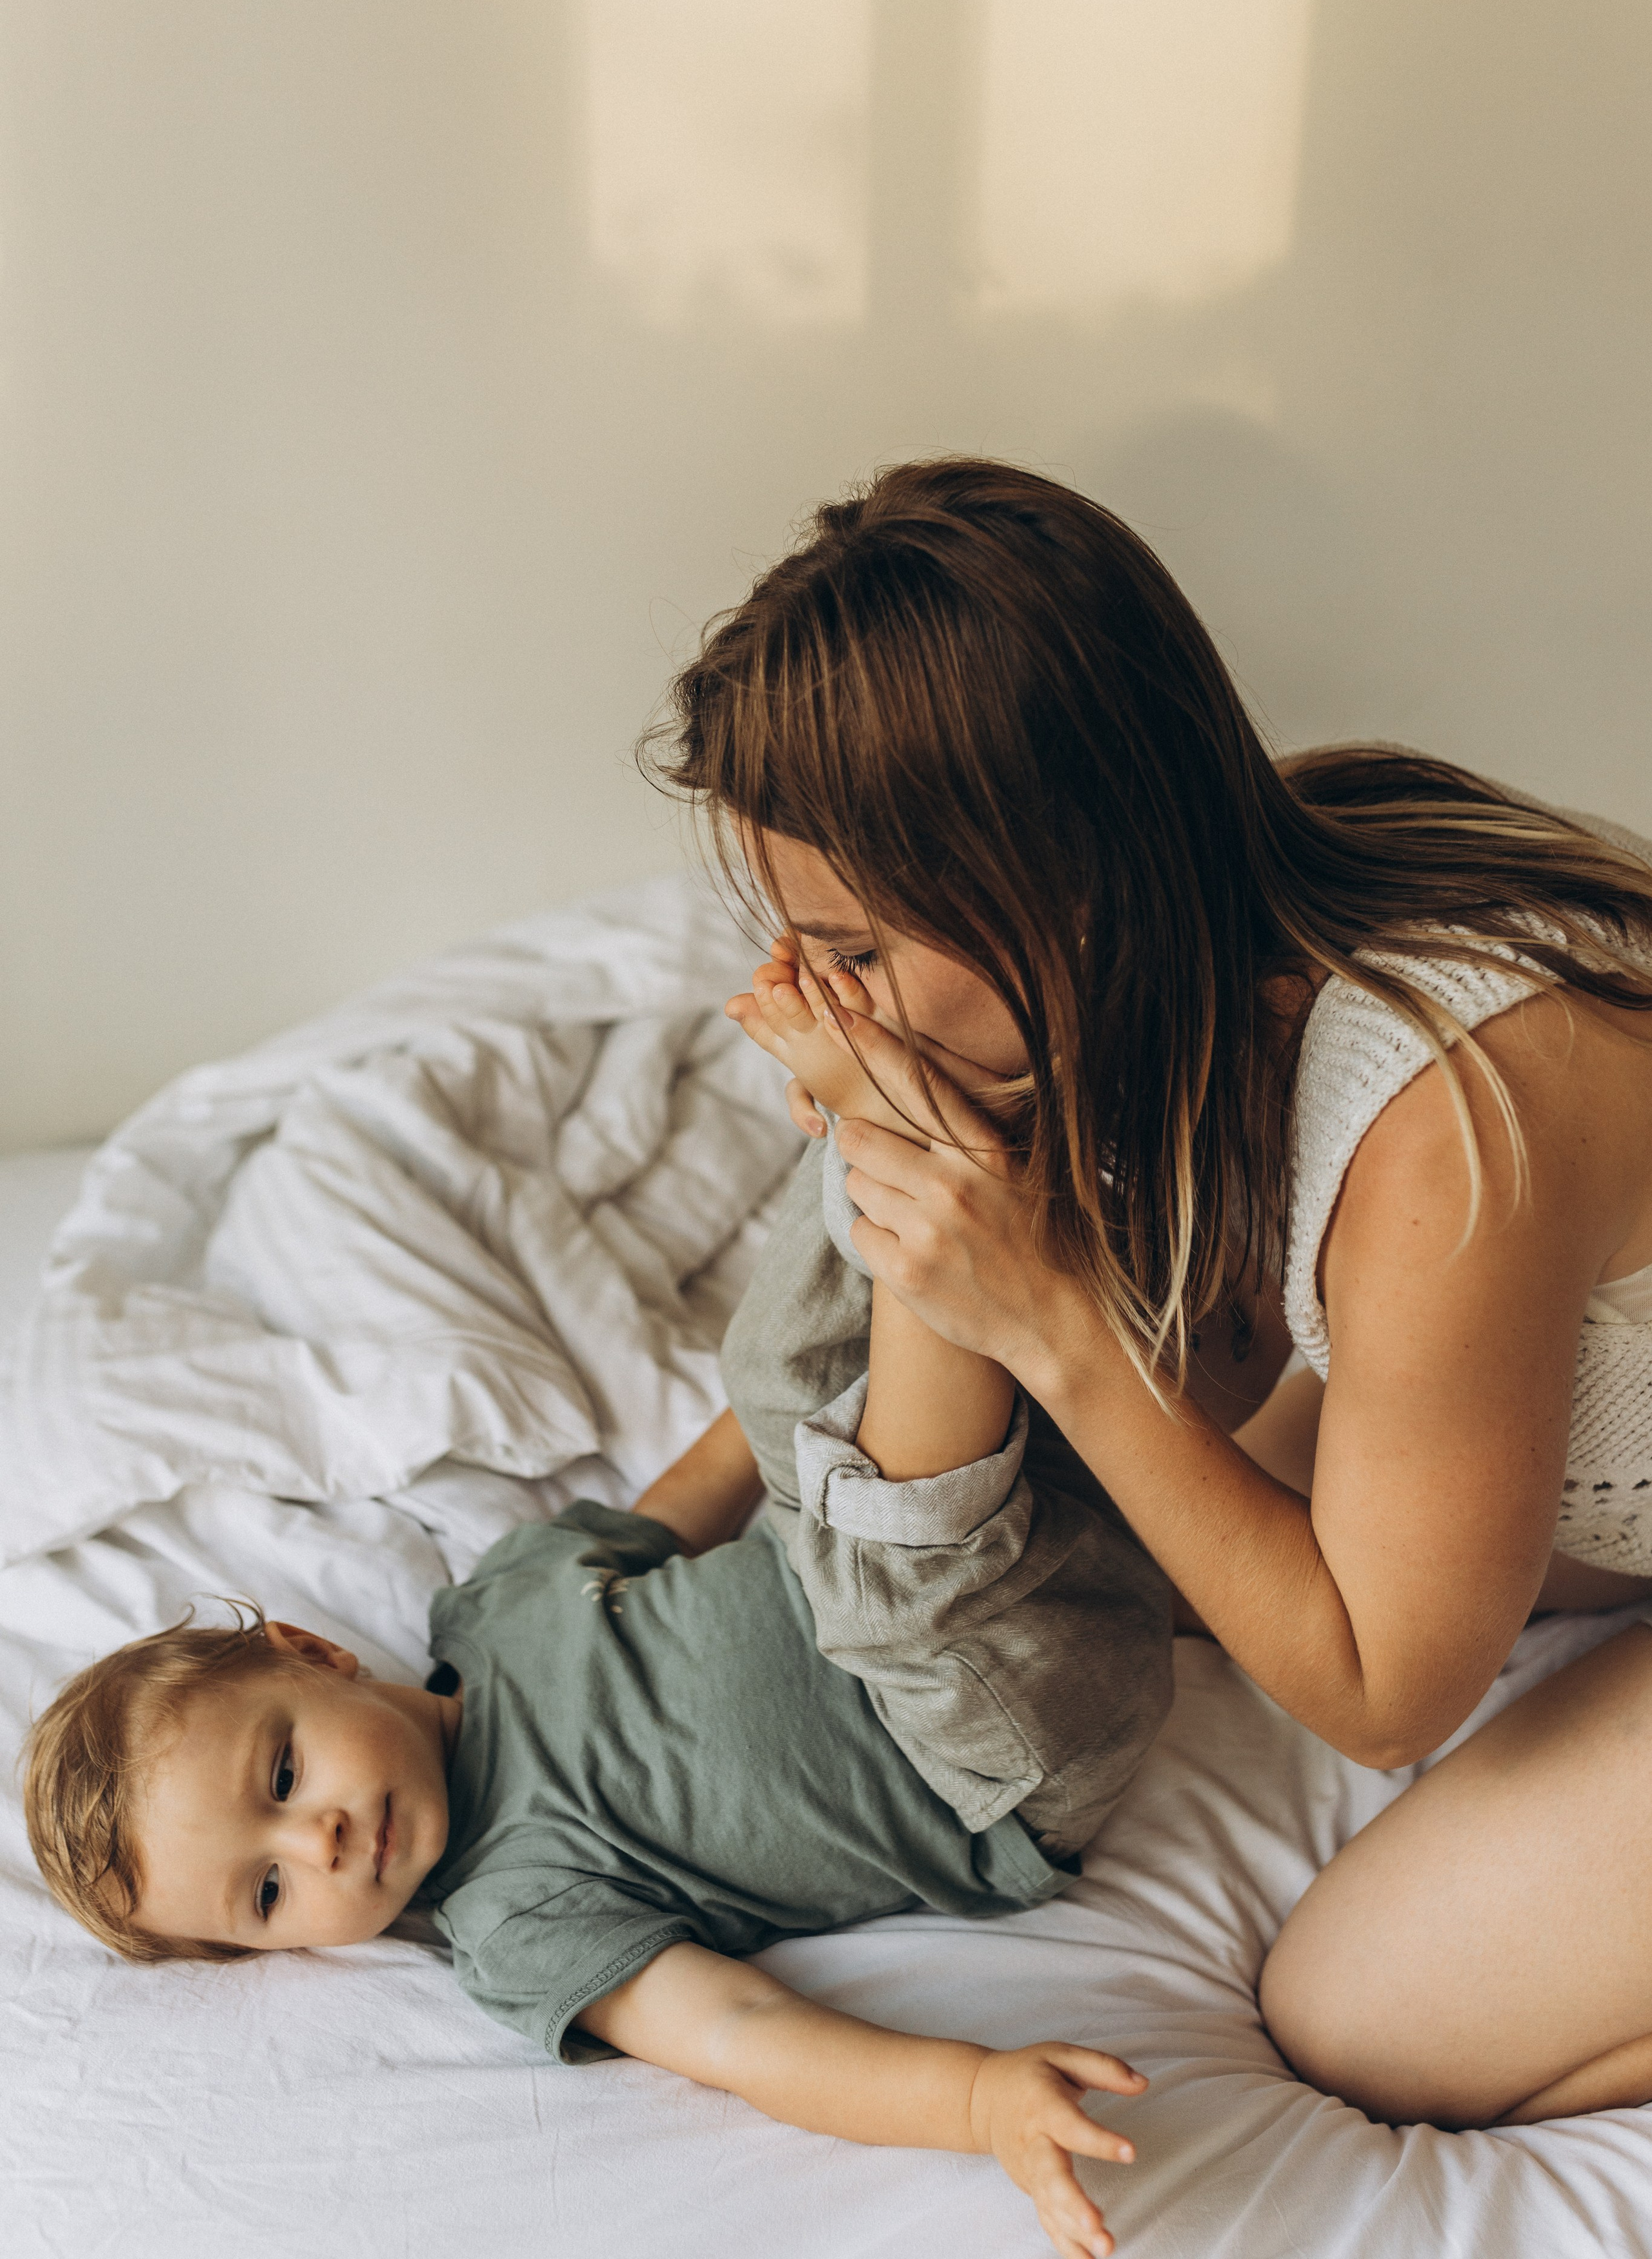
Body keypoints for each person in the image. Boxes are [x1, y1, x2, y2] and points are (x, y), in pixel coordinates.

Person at [645, 453, 1652, 2133]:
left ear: (1065, 884)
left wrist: (1053, 1322)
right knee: (1230, 1497)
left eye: (859, 950)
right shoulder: (1221, 923)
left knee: (1363, 2021)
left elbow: (1381, 1689)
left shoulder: (1435, 1121)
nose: (812, 998)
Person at [26, 994, 1174, 2259]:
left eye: (284, 1775)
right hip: (968, 1738)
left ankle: (944, 1072)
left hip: (980, 1544)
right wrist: (969, 2100)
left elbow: (684, 1502)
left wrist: (799, 1391)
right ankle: (920, 1123)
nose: (322, 1837)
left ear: (314, 1652)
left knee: (780, 1365)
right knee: (879, 1521)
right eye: (268, 1889)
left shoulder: (499, 1601)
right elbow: (737, 2033)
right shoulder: (514, 1920)